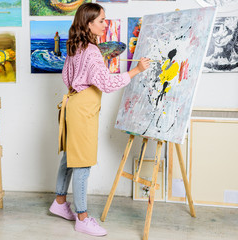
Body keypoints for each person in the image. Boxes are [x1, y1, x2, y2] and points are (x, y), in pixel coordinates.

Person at [49, 2, 150, 237]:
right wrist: (136, 71)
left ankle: (60, 202)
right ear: (88, 23)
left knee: (70, 156)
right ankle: (82, 217)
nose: (106, 24)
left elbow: (67, 77)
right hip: (83, 109)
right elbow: (105, 83)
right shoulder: (92, 51)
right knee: (82, 163)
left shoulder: (75, 46)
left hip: (73, 104)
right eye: (102, 21)